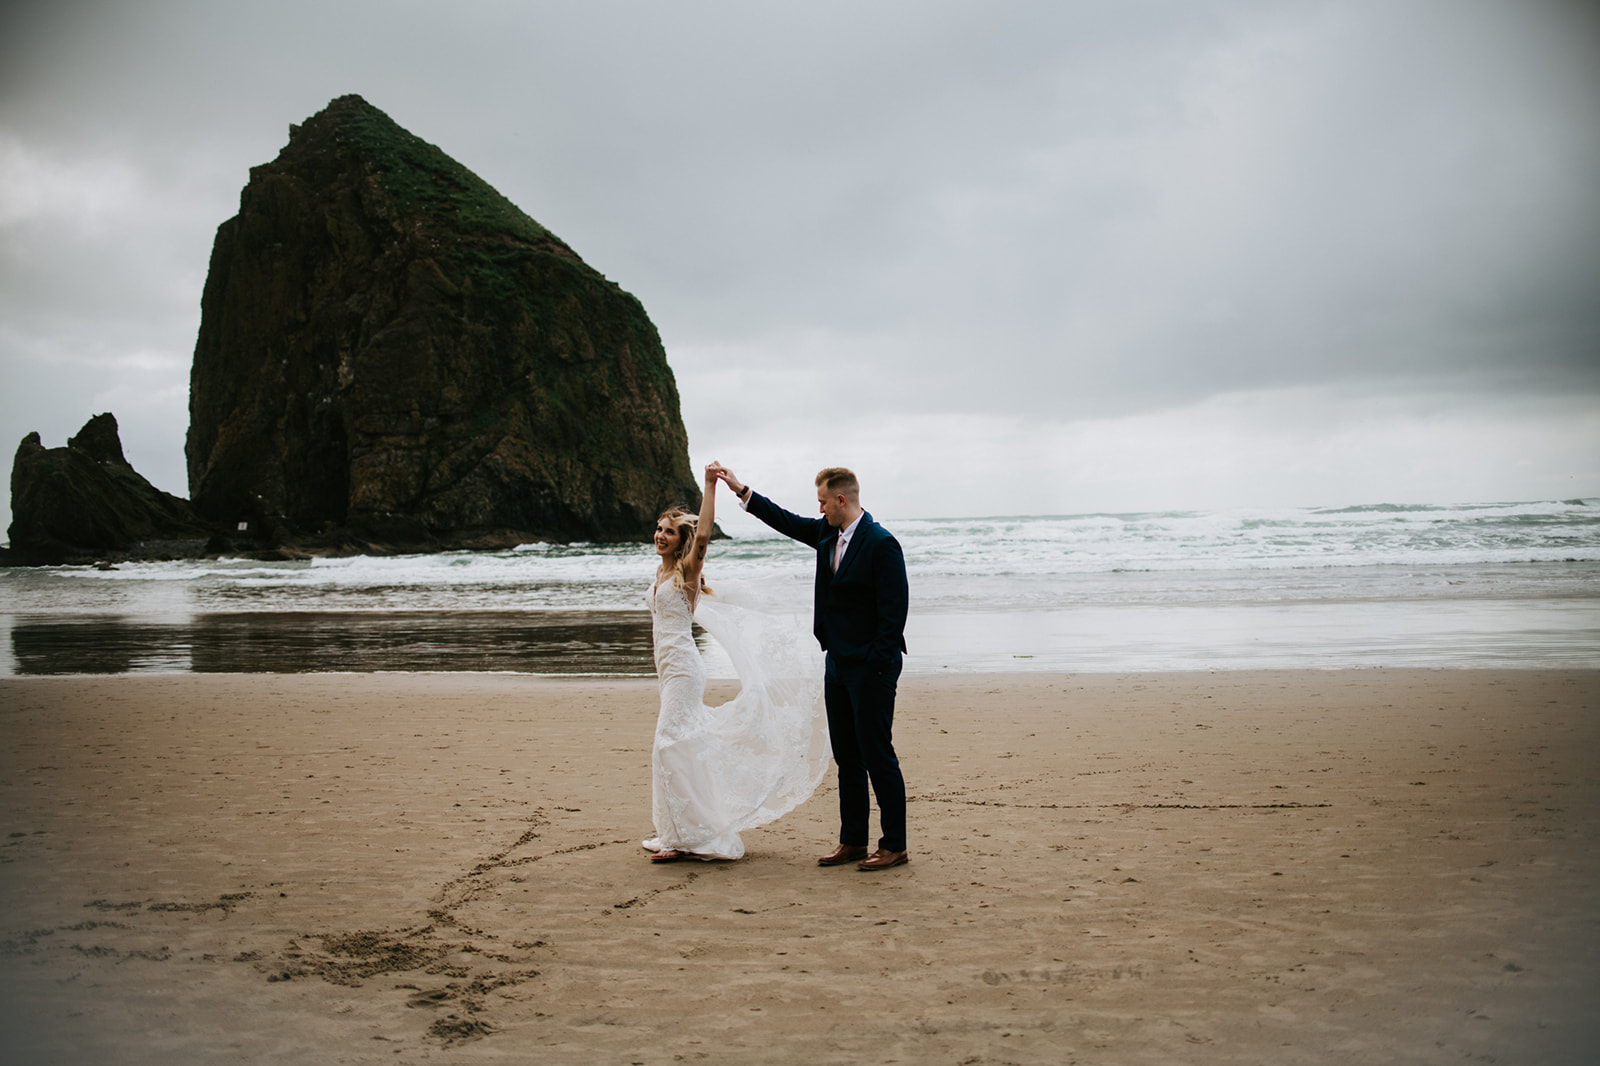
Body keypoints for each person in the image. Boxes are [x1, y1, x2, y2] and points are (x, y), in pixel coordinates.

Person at [710, 463, 911, 871]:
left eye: (822, 502)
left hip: (871, 668)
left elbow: (895, 612)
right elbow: (784, 520)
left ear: (841, 500)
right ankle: (853, 840)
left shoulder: (881, 543)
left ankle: (894, 845)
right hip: (836, 662)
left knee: (877, 754)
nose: (818, 510)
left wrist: (875, 663)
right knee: (847, 756)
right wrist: (740, 489)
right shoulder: (825, 533)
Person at [642, 463, 830, 862]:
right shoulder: (659, 572)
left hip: (684, 671)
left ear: (682, 541)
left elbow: (705, 534)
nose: (660, 535)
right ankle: (676, 832)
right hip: (667, 669)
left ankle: (689, 837)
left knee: (668, 746)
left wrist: (711, 485)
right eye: (659, 529)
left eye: (669, 531)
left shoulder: (688, 571)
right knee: (679, 747)